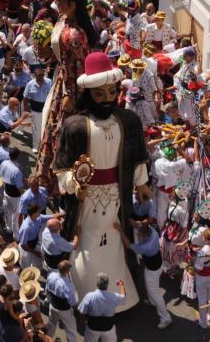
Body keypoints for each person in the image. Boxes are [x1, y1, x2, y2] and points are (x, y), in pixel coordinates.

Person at [53, 52, 150, 311]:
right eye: (100, 94)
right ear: (89, 95)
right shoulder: (74, 126)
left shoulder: (128, 120)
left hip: (118, 191)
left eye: (111, 92)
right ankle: (85, 294)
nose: (107, 99)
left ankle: (122, 296)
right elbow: (61, 168)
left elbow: (138, 156)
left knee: (116, 236)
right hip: (87, 198)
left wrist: (141, 183)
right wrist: (75, 186)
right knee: (86, 241)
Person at [35, 0, 97, 195]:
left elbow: (80, 70)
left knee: (59, 133)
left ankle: (60, 185)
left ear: (73, 4)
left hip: (71, 89)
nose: (56, 3)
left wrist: (71, 96)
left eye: (60, 0)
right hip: (61, 80)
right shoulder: (63, 20)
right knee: (49, 126)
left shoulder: (76, 35)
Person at [113, 222, 172, 329]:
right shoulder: (152, 231)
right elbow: (138, 225)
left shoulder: (146, 247)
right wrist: (130, 221)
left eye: (140, 236)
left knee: (156, 294)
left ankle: (166, 318)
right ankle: (152, 301)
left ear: (146, 236)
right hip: (156, 265)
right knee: (150, 287)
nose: (138, 237)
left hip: (152, 270)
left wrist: (120, 229)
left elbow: (127, 244)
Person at [78, 273, 127, 342]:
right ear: (107, 284)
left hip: (92, 327)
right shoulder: (113, 297)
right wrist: (121, 285)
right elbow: (123, 298)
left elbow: (82, 312)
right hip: (108, 328)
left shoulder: (89, 296)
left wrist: (83, 321)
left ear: (97, 284)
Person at [46, 260, 79, 342]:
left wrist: (49, 300)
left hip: (53, 306)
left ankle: (46, 339)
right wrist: (77, 312)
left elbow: (47, 289)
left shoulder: (51, 275)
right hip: (64, 310)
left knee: (51, 325)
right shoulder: (68, 286)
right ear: (67, 270)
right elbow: (73, 303)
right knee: (71, 330)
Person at [24, 67, 52, 153]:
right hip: (35, 110)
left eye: (42, 75)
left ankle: (46, 145)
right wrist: (26, 111)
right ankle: (35, 146)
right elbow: (26, 98)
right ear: (34, 75)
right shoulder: (30, 84)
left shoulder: (49, 82)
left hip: (47, 109)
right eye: (39, 75)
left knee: (47, 128)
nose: (41, 77)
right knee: (36, 129)